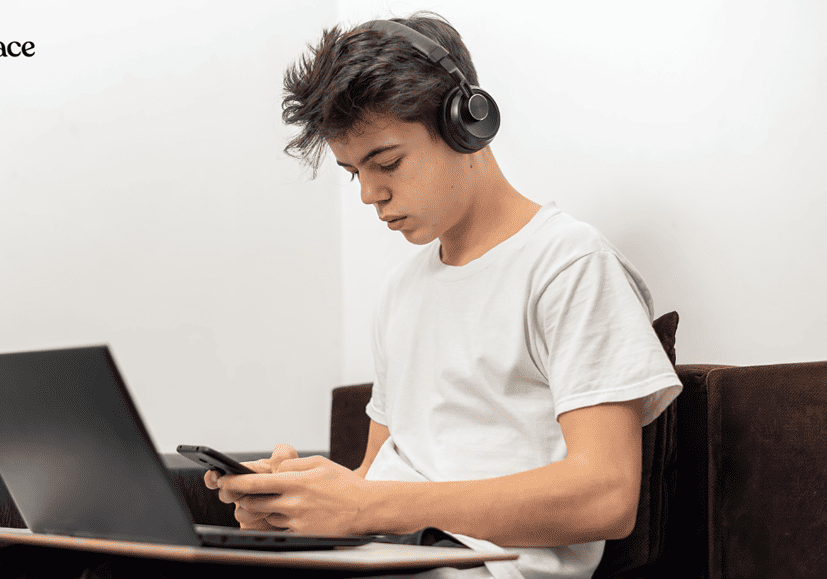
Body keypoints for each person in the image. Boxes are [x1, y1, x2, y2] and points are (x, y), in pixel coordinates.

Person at [204, 12, 683, 579]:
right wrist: (302, 505)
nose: (369, 194)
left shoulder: (569, 266)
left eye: (386, 162)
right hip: (394, 560)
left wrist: (364, 507)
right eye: (353, 172)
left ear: (467, 125)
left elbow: (605, 495)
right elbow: (383, 484)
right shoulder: (401, 293)